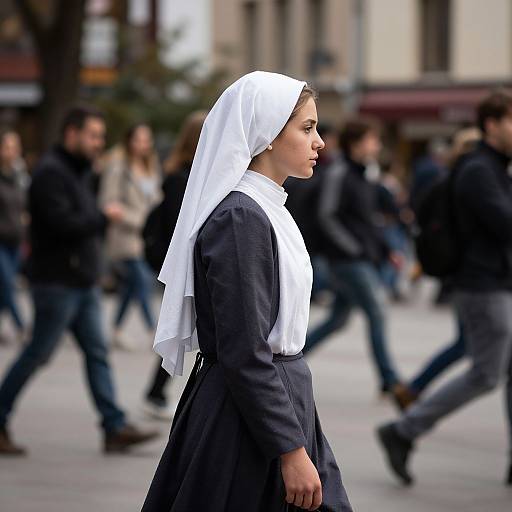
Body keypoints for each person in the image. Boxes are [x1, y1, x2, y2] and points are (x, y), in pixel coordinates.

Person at [141, 72, 352, 511]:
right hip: (244, 417)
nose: (320, 143)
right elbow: (244, 349)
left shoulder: (268, 208)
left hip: (279, 399)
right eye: (307, 128)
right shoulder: (241, 218)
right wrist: (289, 449)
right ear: (268, 134)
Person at [0, 106, 158, 456]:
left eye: (101, 136)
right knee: (37, 353)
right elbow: (62, 225)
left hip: (80, 281)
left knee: (97, 353)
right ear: (71, 133)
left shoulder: (77, 171)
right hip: (57, 281)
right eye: (93, 135)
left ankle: (114, 427)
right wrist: (103, 218)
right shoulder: (51, 174)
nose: (99, 143)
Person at [377, 91, 512, 487]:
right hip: (482, 285)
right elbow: (504, 224)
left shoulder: (496, 168)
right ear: (492, 124)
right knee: (486, 373)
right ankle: (403, 430)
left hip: (498, 281)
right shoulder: (478, 171)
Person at [303, 118, 405, 402]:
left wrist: (386, 249)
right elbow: (327, 215)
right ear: (356, 143)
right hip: (346, 260)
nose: (378, 145)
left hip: (360, 256)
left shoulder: (365, 175)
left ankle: (289, 360)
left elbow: (368, 220)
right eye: (373, 139)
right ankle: (389, 379)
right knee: (378, 310)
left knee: (338, 319)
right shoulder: (340, 173)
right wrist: (353, 249)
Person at [142, 110, 207, 419]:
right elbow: (177, 227)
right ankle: (156, 392)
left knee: (184, 327)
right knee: (182, 327)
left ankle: (157, 392)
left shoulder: (188, 175)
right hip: (184, 266)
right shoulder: (182, 178)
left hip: (187, 265)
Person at [100, 123, 162, 350]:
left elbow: (157, 199)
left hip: (145, 237)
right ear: (129, 141)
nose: (143, 145)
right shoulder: (119, 166)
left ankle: (116, 329)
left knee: (130, 287)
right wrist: (139, 219)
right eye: (139, 139)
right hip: (126, 236)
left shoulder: (150, 165)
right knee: (142, 280)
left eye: (147, 140)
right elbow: (109, 203)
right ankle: (153, 331)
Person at [0, 129, 29, 344]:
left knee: (5, 286)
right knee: (8, 283)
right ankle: (21, 327)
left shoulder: (19, 175)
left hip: (16, 240)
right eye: (8, 146)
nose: (13, 151)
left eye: (15, 146)